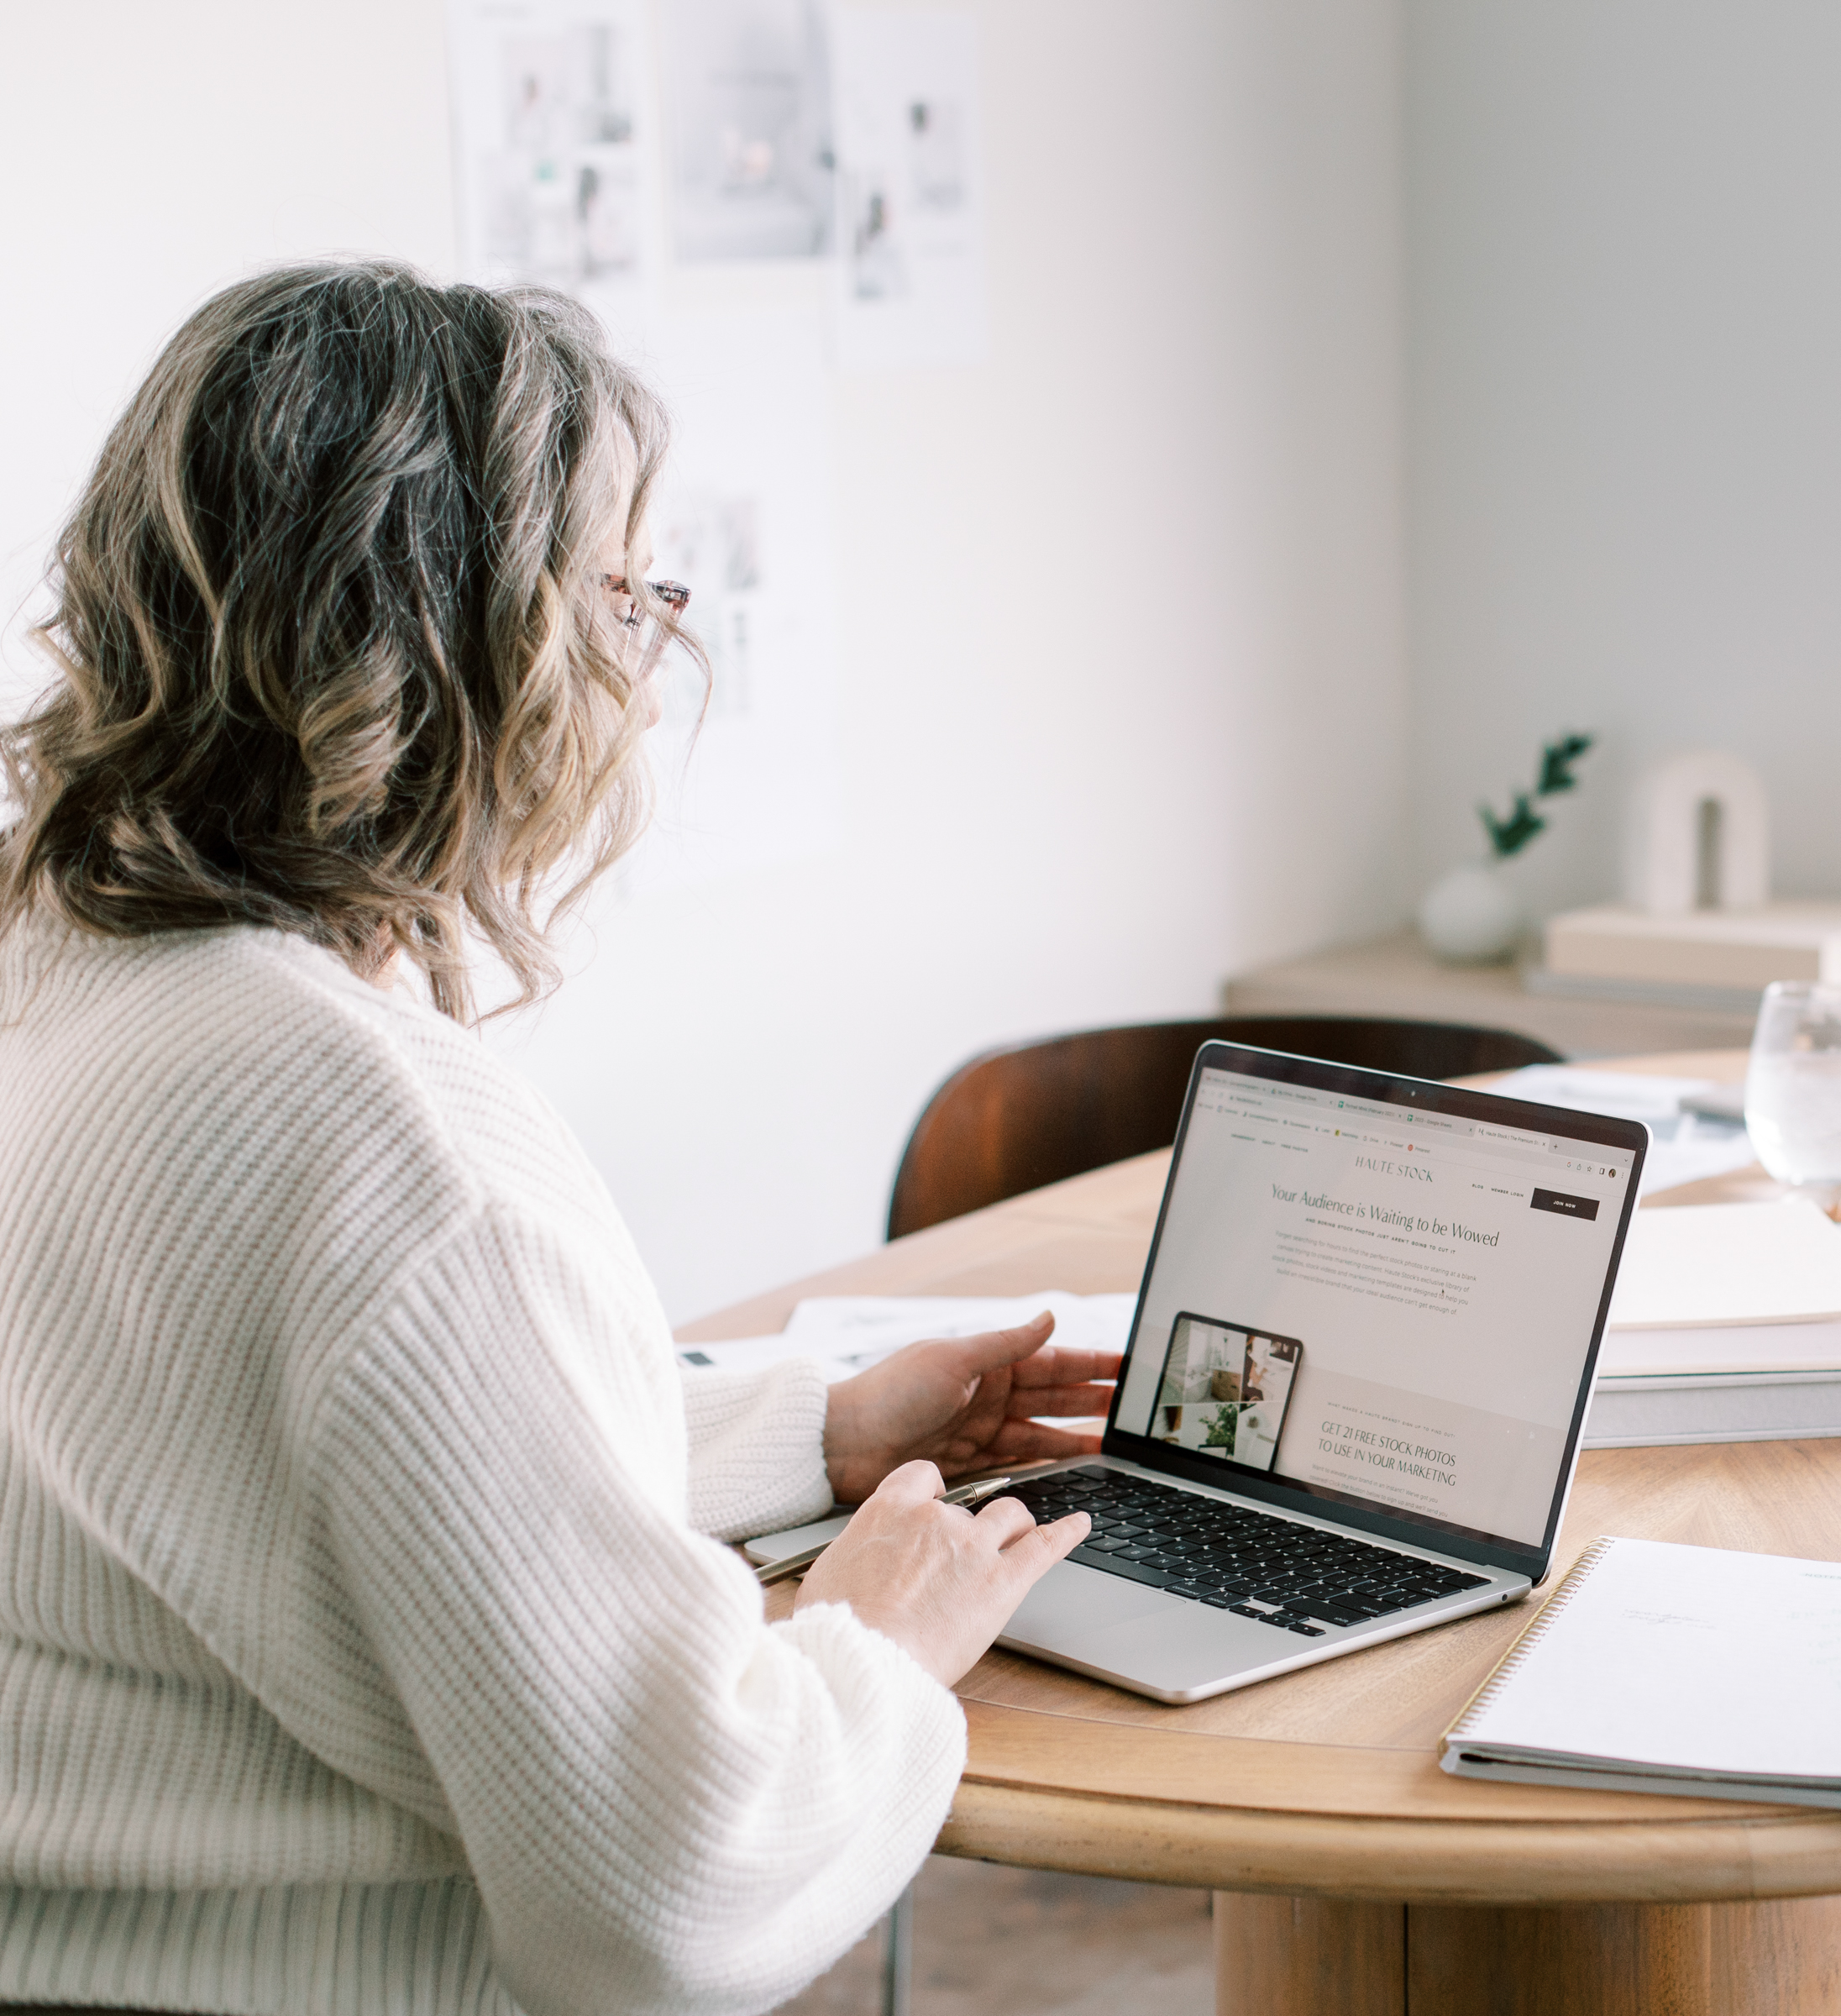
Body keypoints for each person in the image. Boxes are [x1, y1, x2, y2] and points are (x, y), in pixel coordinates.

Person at [0, 263, 1116, 2016]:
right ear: (466, 645)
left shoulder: (58, 972)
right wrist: (884, 1634)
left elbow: (340, 1476)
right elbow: (674, 1902)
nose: (647, 673)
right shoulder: (385, 1140)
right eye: (624, 601)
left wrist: (806, 1429)